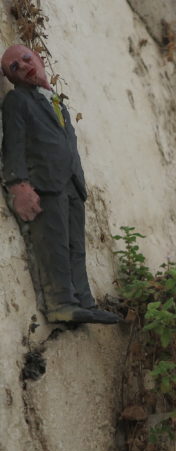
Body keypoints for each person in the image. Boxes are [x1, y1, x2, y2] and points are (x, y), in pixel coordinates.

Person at [1, 44, 119, 324]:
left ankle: (84, 301)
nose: (24, 66)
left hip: (71, 182)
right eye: (14, 67)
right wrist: (18, 184)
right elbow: (13, 145)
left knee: (76, 245)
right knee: (54, 242)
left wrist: (78, 178)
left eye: (26, 58)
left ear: (39, 59)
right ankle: (61, 303)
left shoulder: (56, 101)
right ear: (9, 78)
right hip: (45, 182)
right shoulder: (18, 101)